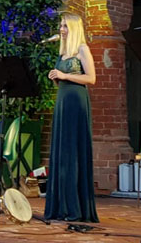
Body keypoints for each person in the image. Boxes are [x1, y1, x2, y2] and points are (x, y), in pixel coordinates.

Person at [44, 13, 99, 223]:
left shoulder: (82, 49)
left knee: (73, 152)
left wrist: (65, 75)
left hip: (76, 103)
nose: (61, 29)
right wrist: (56, 77)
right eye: (61, 25)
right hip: (63, 102)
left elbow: (91, 78)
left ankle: (75, 208)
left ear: (74, 28)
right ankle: (61, 206)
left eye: (65, 26)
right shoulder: (63, 53)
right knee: (62, 152)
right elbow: (64, 79)